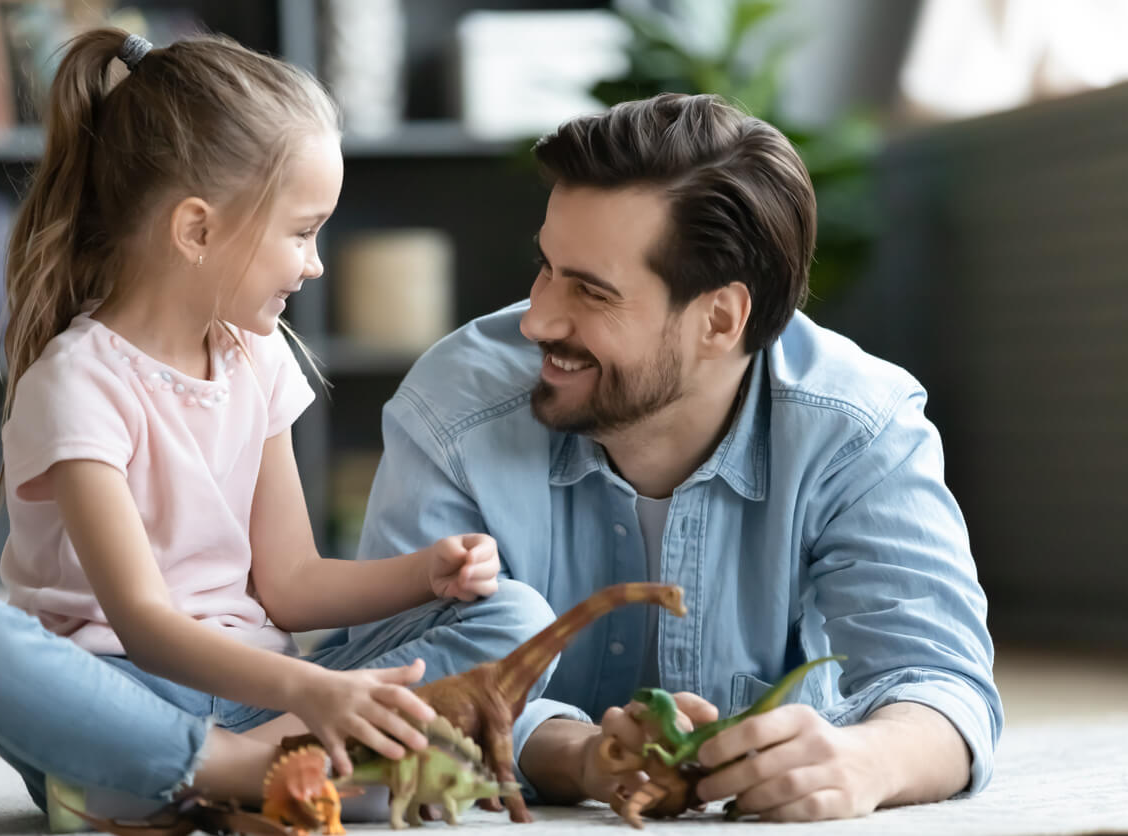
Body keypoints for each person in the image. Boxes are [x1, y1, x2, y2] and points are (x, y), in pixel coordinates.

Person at [0, 29, 558, 823]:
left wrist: (423, 574)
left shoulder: (258, 358)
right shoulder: (77, 383)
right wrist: (312, 690)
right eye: (301, 230)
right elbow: (144, 626)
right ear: (197, 230)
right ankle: (245, 771)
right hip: (126, 700)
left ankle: (247, 776)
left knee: (518, 614)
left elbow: (288, 585)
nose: (315, 262)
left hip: (261, 697)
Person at [334, 93, 1004, 822]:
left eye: (590, 291)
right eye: (546, 267)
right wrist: (577, 756)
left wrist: (866, 760)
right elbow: (395, 689)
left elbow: (942, 680)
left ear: (719, 319)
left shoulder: (858, 427)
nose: (537, 317)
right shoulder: (456, 407)